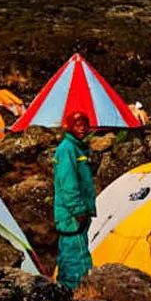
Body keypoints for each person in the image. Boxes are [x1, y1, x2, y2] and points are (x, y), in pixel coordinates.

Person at [52, 112, 98, 287]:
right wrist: (78, 211)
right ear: (70, 127)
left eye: (85, 125)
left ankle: (63, 290)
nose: (82, 129)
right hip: (72, 216)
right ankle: (77, 293)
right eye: (78, 125)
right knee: (78, 258)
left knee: (66, 255)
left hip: (70, 214)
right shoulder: (68, 149)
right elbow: (68, 184)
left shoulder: (76, 148)